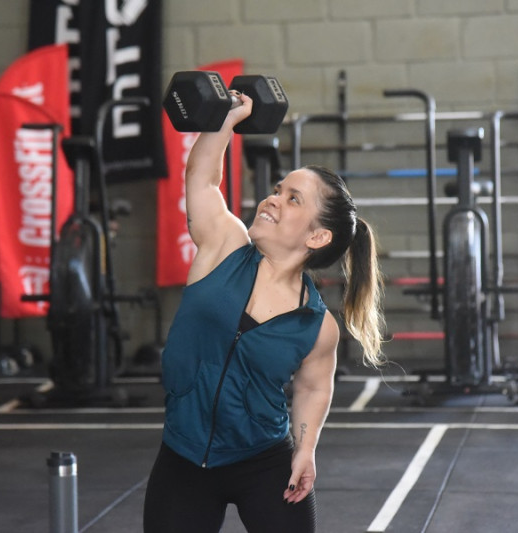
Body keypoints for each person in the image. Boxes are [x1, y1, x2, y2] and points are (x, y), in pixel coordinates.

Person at [143, 91, 385, 533]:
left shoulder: (316, 326)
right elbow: (201, 180)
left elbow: (313, 390)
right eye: (277, 190)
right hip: (183, 456)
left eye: (294, 199)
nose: (273, 199)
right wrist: (226, 120)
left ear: (316, 238)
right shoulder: (224, 248)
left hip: (264, 462)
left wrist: (306, 450)